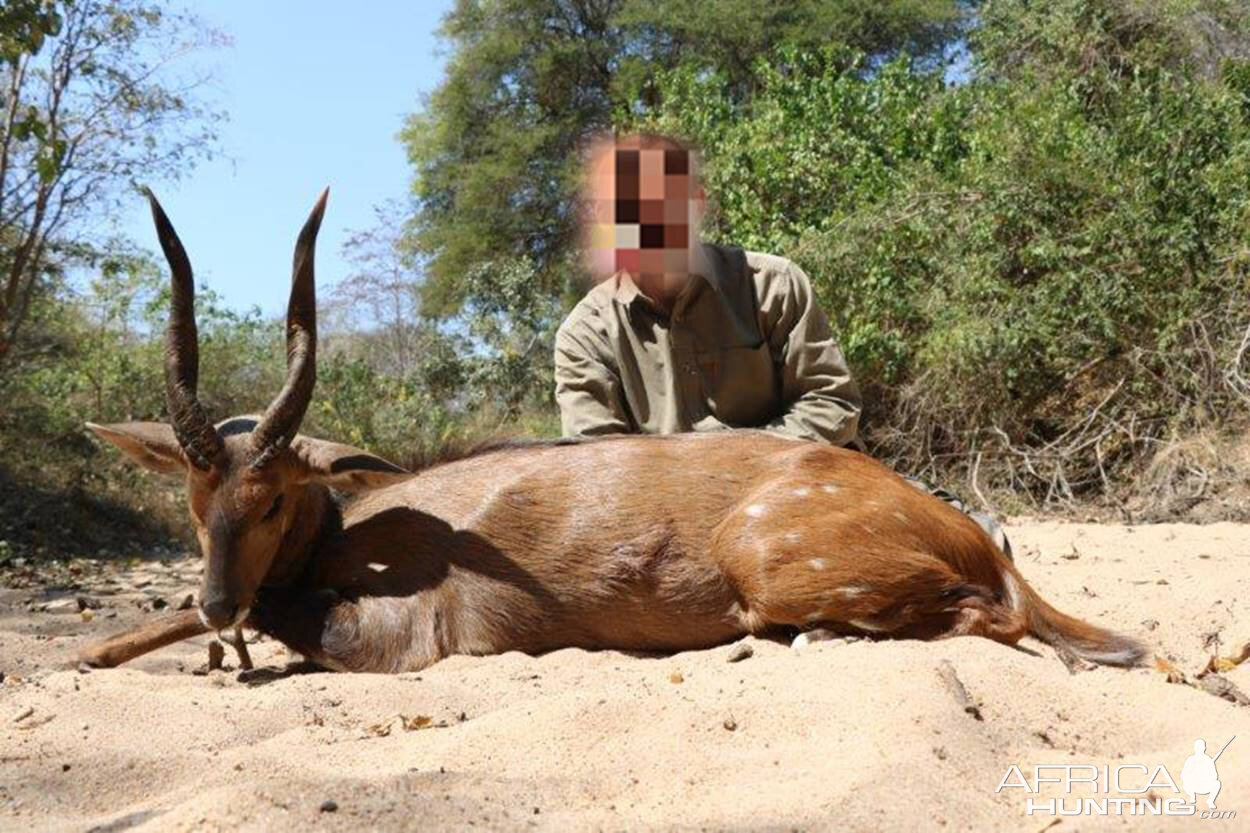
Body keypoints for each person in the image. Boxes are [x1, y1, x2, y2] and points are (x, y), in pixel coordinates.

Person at [554, 131, 1009, 556]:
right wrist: (700, 487)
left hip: (801, 486)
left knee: (977, 545)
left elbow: (831, 403)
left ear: (695, 204)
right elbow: (600, 469)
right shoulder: (584, 335)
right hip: (673, 518)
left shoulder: (773, 284)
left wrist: (741, 469)